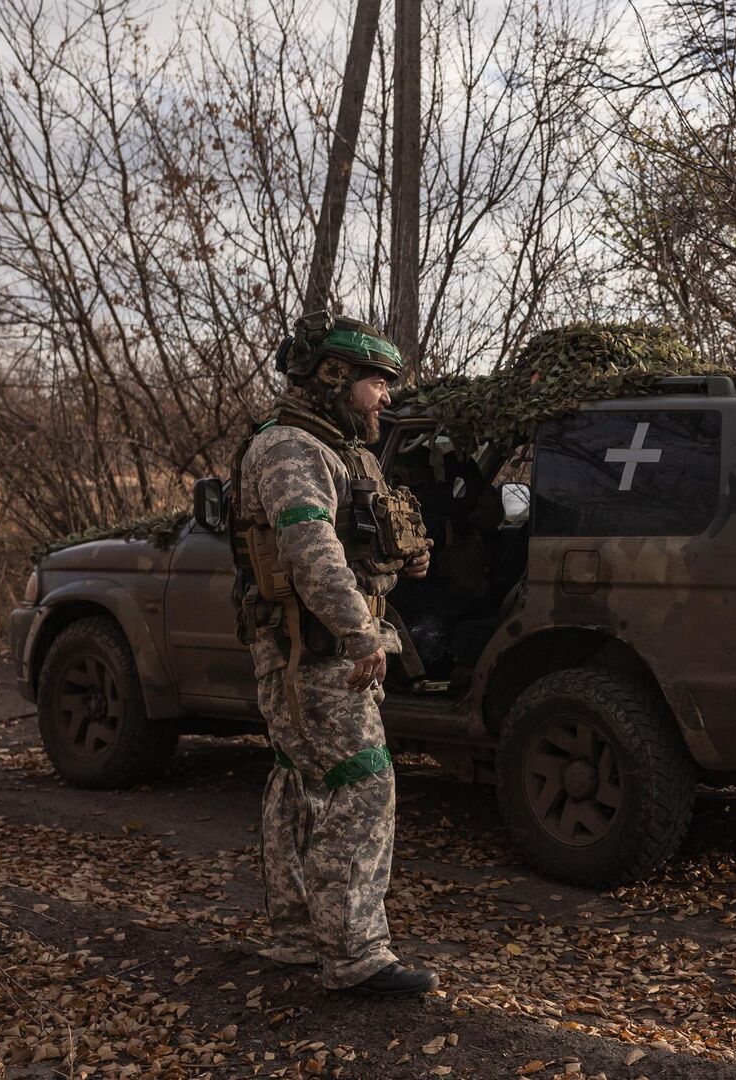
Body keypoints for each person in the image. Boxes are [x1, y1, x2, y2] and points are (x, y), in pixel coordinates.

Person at [230, 312, 436, 995]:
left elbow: (347, 541)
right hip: (312, 653)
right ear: (334, 378)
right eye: (376, 382)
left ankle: (298, 937)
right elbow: (308, 547)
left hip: (317, 648)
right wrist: (360, 632)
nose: (385, 396)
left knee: (302, 780)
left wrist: (397, 562)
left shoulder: (339, 450)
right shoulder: (292, 448)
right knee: (361, 783)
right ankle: (353, 954)